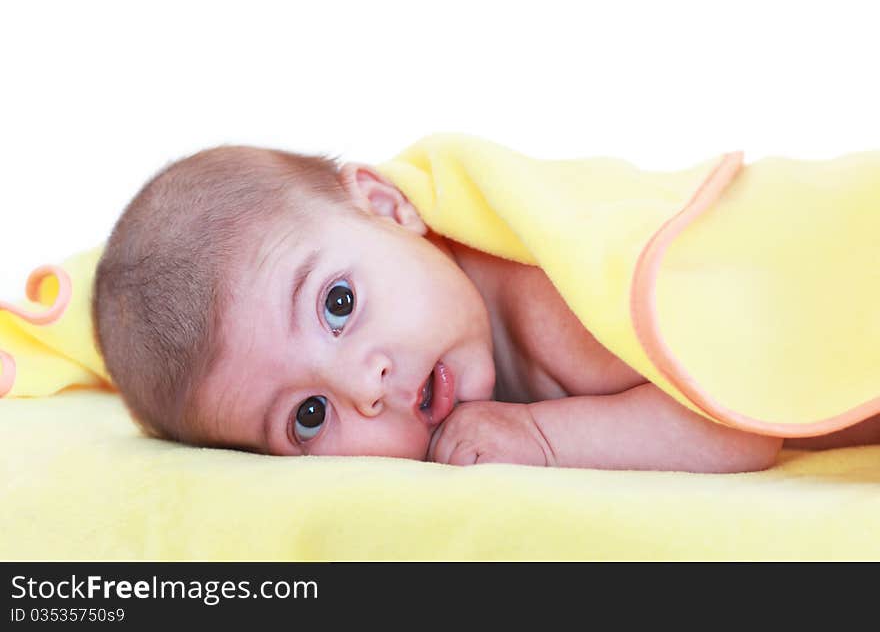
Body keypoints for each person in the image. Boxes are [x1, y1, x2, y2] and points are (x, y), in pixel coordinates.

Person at [91, 145, 878, 473]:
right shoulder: (384, 295)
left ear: (387, 204)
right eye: (306, 417)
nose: (365, 386)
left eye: (338, 304)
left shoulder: (553, 301)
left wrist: (539, 436)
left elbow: (730, 429)